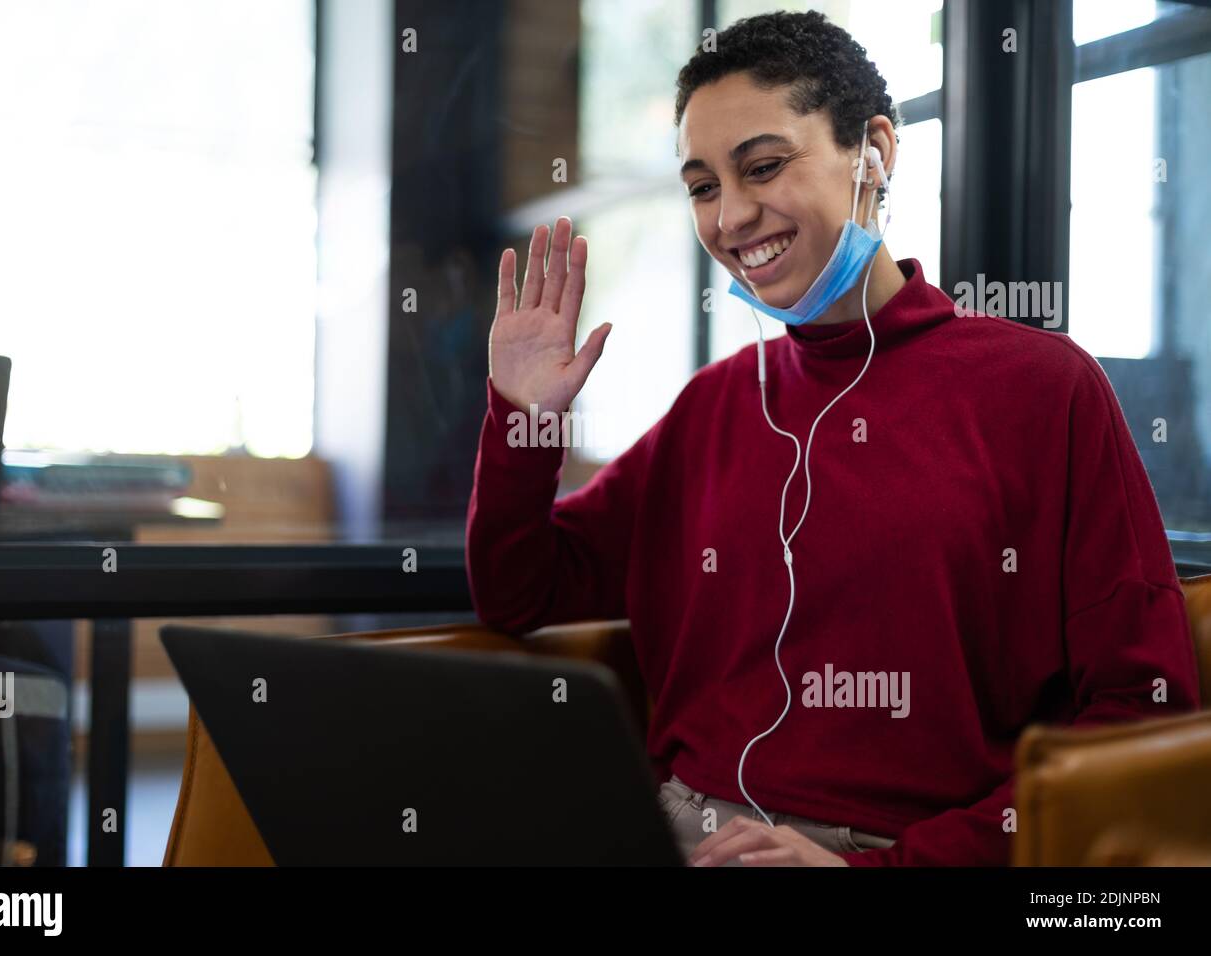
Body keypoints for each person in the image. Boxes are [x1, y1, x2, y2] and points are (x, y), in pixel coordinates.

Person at [465, 10, 1199, 866]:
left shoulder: (1044, 390)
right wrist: (523, 421)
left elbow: (1142, 706)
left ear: (875, 152)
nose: (731, 217)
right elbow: (517, 592)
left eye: (764, 167)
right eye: (702, 187)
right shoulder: (712, 407)